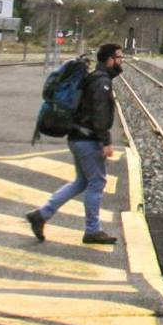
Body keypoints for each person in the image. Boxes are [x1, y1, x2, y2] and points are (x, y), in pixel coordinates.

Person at [27, 42, 122, 245]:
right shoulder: (101, 82)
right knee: (97, 183)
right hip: (88, 139)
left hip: (78, 137)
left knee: (82, 182)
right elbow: (100, 115)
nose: (121, 61)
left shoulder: (96, 78)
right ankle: (92, 230)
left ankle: (41, 215)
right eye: (119, 57)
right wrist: (106, 141)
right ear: (109, 59)